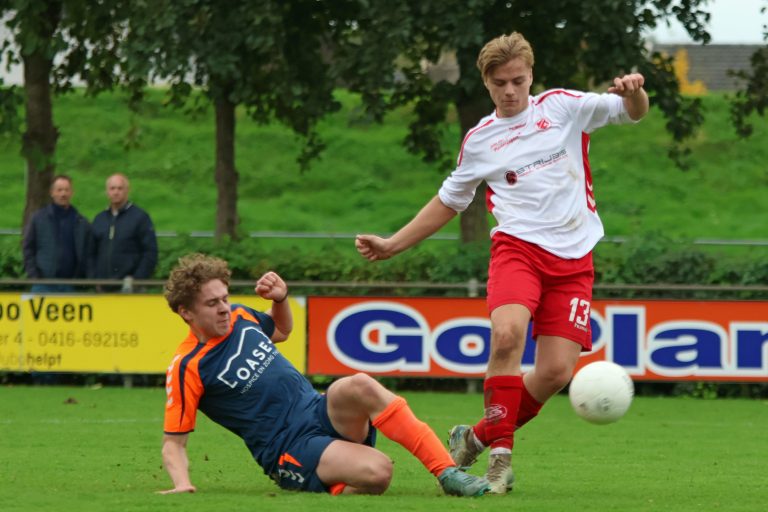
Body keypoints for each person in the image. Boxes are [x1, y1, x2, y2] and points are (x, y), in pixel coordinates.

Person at [355, 32, 649, 494]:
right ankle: (499, 461)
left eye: (517, 80)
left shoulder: (563, 107)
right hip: (518, 250)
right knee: (507, 336)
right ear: (486, 84)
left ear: (531, 75)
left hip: (574, 259)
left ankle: (472, 437)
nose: (510, 91)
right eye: (499, 83)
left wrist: (636, 93)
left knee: (554, 373)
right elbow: (448, 201)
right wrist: (393, 244)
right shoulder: (480, 141)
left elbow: (631, 113)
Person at [160, 253, 490, 497]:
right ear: (187, 312)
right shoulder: (188, 366)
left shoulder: (240, 316)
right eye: (212, 303)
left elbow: (282, 330)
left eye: (225, 298)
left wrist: (281, 300)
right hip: (290, 446)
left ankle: (448, 472)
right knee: (379, 472)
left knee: (359, 383)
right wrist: (183, 484)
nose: (222, 308)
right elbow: (174, 443)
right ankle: (321, 479)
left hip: (319, 410)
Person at [22, 175, 91, 293]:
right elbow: (28, 248)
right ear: (52, 192)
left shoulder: (81, 222)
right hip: (43, 285)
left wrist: (80, 277)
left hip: (71, 286)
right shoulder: (39, 218)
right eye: (59, 190)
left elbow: (87, 252)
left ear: (72, 193)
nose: (63, 194)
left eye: (66, 190)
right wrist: (35, 276)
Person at [91, 173, 157, 290]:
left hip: (130, 288)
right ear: (107, 191)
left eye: (120, 188)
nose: (116, 192)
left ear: (127, 190)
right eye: (112, 188)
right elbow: (90, 252)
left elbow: (150, 252)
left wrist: (137, 279)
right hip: (103, 288)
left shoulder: (140, 218)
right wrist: (95, 278)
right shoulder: (99, 219)